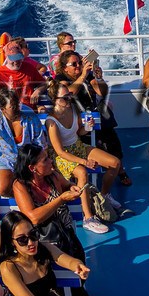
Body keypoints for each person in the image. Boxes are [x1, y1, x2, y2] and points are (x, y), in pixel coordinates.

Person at [42, 87, 122, 228]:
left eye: (70, 95)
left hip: (77, 147)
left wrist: (87, 127)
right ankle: (88, 218)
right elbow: (60, 152)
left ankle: (104, 195)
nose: (69, 99)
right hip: (61, 155)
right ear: (55, 100)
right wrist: (85, 162)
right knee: (82, 172)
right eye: (65, 97)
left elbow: (79, 131)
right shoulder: (51, 121)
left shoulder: (73, 108)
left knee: (115, 163)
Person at [10, 142, 99, 259]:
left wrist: (72, 187)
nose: (50, 161)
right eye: (45, 160)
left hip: (66, 237)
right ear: (32, 168)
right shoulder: (20, 185)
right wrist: (61, 199)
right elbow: (33, 218)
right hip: (39, 244)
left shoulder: (53, 176)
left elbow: (68, 185)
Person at [53, 50, 127, 172]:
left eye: (79, 63)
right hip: (75, 115)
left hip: (92, 112)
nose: (78, 66)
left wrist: (99, 78)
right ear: (65, 68)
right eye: (74, 64)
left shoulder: (88, 75)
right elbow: (69, 93)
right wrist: (82, 76)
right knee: (100, 133)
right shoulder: (61, 78)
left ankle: (119, 167)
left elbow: (102, 92)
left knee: (110, 133)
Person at [0, 33, 49, 110]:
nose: (16, 62)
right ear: (6, 57)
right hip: (10, 111)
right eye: (13, 59)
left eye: (18, 58)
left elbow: (43, 84)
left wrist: (38, 91)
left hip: (29, 109)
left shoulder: (29, 67)